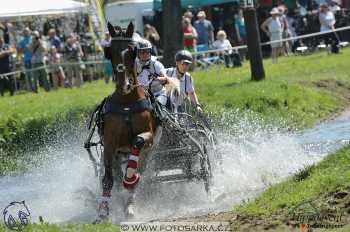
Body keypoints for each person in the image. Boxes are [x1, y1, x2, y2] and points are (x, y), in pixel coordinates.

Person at [136, 39, 169, 119]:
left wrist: (156, 78)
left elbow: (165, 79)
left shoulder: (156, 64)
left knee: (157, 108)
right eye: (142, 52)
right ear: (138, 53)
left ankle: (164, 125)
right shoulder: (134, 65)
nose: (145, 54)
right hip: (142, 96)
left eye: (147, 51)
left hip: (158, 94)